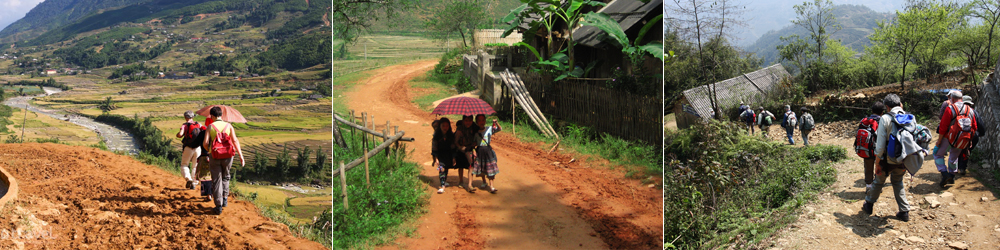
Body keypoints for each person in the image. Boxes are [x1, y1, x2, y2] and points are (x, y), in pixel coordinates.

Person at [862, 94, 911, 222]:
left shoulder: (885, 118)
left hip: (887, 160)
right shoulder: (909, 117)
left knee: (878, 181)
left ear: (887, 107)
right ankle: (904, 211)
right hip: (903, 158)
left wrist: (878, 162)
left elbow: (880, 145)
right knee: (898, 182)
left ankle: (869, 205)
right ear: (900, 104)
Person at [201, 107, 244, 215]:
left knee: (216, 180)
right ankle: (225, 199)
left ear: (212, 116)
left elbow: (205, 143)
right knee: (226, 176)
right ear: (221, 115)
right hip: (228, 156)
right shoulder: (228, 126)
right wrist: (241, 155)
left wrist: (210, 150)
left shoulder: (210, 126)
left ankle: (218, 205)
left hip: (215, 156)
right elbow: (235, 140)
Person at [934, 90, 977, 187]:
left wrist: (939, 140)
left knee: (937, 154)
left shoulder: (950, 109)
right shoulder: (970, 110)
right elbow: (974, 127)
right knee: (954, 157)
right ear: (962, 98)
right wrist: (969, 140)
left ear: (952, 99)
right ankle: (952, 176)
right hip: (963, 138)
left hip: (948, 138)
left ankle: (944, 174)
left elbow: (943, 127)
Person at [857, 101, 885, 192]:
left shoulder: (865, 120)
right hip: (878, 150)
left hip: (866, 149)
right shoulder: (882, 121)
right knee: (879, 167)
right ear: (882, 112)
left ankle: (869, 186)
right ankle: (877, 186)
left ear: (872, 110)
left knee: (868, 168)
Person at [176, 111, 205, 190]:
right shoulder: (199, 124)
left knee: (184, 164)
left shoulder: (185, 125)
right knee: (195, 166)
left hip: (188, 148)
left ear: (185, 117)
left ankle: (188, 179)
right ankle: (194, 182)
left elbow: (180, 134)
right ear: (193, 117)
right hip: (198, 148)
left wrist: (178, 134)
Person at [473, 114, 501, 193]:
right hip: (480, 152)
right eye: (479, 120)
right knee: (482, 168)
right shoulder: (475, 132)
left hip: (488, 151)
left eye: (483, 120)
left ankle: (491, 186)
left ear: (485, 121)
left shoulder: (489, 129)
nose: (481, 122)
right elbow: (474, 142)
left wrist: (496, 123)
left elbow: (499, 129)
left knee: (490, 168)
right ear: (477, 122)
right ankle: (484, 181)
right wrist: (472, 149)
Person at [957, 95, 984, 176]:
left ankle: (957, 167)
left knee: (959, 150)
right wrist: (981, 133)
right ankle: (962, 168)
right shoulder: (974, 112)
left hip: (959, 135)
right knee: (967, 151)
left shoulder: (957, 111)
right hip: (972, 135)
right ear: (971, 104)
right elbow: (980, 125)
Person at [454, 115, 480, 192]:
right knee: (461, 166)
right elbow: (456, 141)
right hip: (461, 149)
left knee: (471, 166)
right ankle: (461, 181)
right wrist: (460, 147)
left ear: (472, 121)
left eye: (470, 120)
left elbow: (477, 138)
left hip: (470, 149)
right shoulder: (460, 128)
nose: (468, 122)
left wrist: (474, 145)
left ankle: (469, 185)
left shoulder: (475, 128)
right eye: (466, 120)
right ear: (463, 121)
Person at [432, 118, 458, 194]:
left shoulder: (451, 135)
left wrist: (453, 157)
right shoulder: (436, 136)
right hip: (440, 155)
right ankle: (442, 186)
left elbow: (453, 147)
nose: (445, 127)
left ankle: (444, 181)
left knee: (446, 169)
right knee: (441, 169)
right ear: (440, 126)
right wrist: (436, 159)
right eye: (443, 125)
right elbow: (434, 148)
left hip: (448, 155)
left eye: (447, 126)